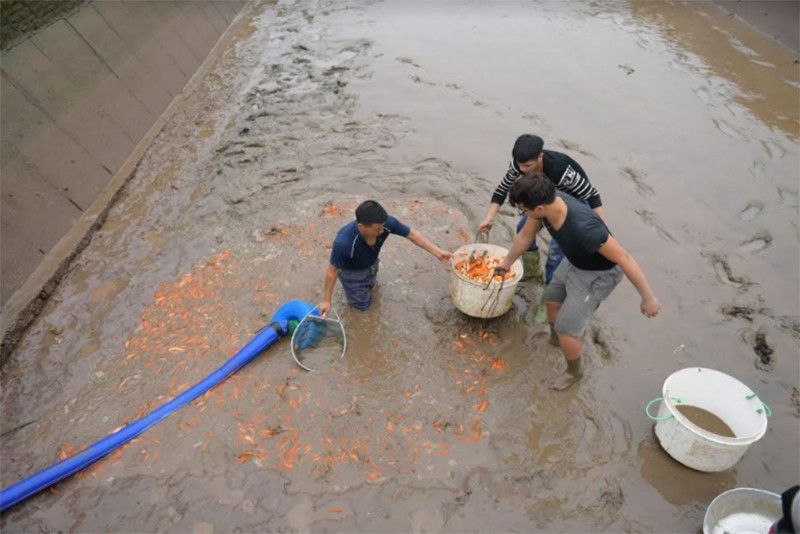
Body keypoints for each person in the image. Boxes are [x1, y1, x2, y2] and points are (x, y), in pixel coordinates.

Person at [494, 173, 660, 390]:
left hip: (598, 275)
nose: (524, 213)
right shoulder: (546, 204)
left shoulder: (585, 228)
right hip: (573, 261)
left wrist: (648, 297)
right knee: (552, 300)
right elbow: (525, 237)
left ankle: (574, 372)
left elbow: (624, 258)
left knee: (566, 327)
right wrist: (507, 263)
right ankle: (557, 340)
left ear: (540, 208)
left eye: (524, 210)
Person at [478, 134, 605, 290]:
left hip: (571, 203)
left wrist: (600, 231)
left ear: (540, 156)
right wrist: (489, 218)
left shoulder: (562, 172)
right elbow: (502, 189)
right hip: (540, 197)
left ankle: (550, 292)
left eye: (528, 166)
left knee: (557, 252)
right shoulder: (519, 166)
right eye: (520, 165)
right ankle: (531, 272)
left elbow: (592, 196)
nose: (523, 170)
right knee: (522, 230)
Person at [319, 200, 452, 316]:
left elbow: (412, 235)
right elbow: (332, 270)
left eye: (383, 226)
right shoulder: (344, 242)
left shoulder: (386, 223)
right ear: (361, 226)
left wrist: (438, 253)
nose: (382, 231)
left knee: (372, 285)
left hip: (372, 264)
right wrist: (327, 300)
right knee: (363, 308)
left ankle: (369, 286)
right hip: (352, 275)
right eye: (377, 229)